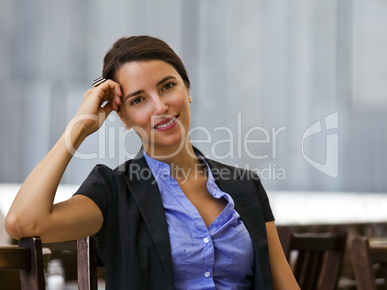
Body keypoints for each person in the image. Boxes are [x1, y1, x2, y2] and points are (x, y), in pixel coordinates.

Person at [5, 36, 299, 289]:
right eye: (138, 100)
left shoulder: (245, 186)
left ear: (187, 90)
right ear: (124, 118)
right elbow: (23, 222)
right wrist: (79, 127)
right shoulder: (113, 192)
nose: (160, 107)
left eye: (167, 86)